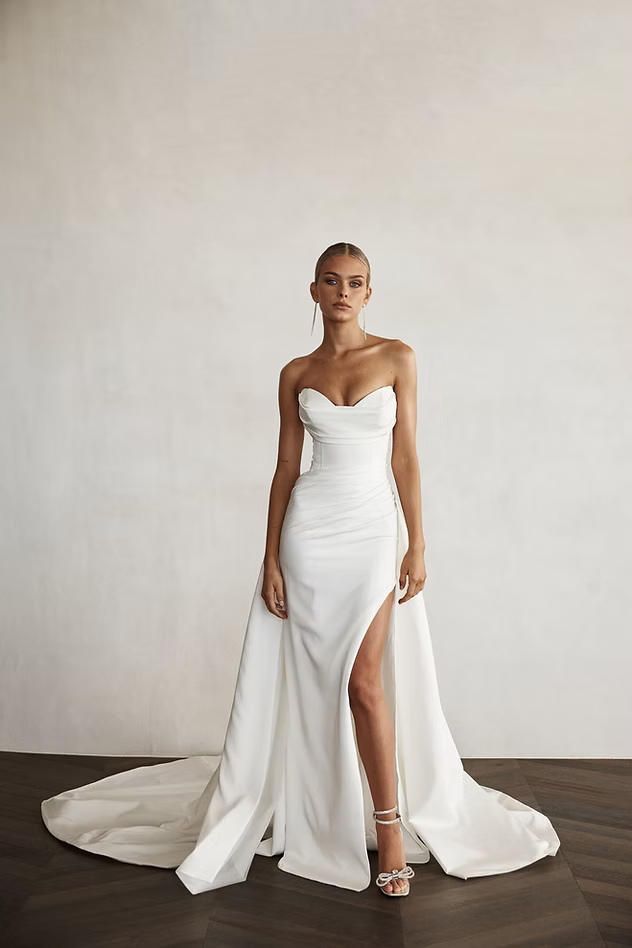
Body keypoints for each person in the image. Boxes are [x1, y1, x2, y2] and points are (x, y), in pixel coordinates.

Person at [41, 242, 561, 898]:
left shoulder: (398, 357)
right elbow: (286, 467)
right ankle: (319, 811)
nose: (343, 292)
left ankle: (389, 830)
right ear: (314, 290)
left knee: (364, 683)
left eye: (356, 282)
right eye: (331, 281)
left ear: (369, 292)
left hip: (372, 530)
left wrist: (418, 544)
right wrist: (270, 558)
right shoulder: (295, 372)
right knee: (315, 684)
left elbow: (405, 457)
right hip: (309, 533)